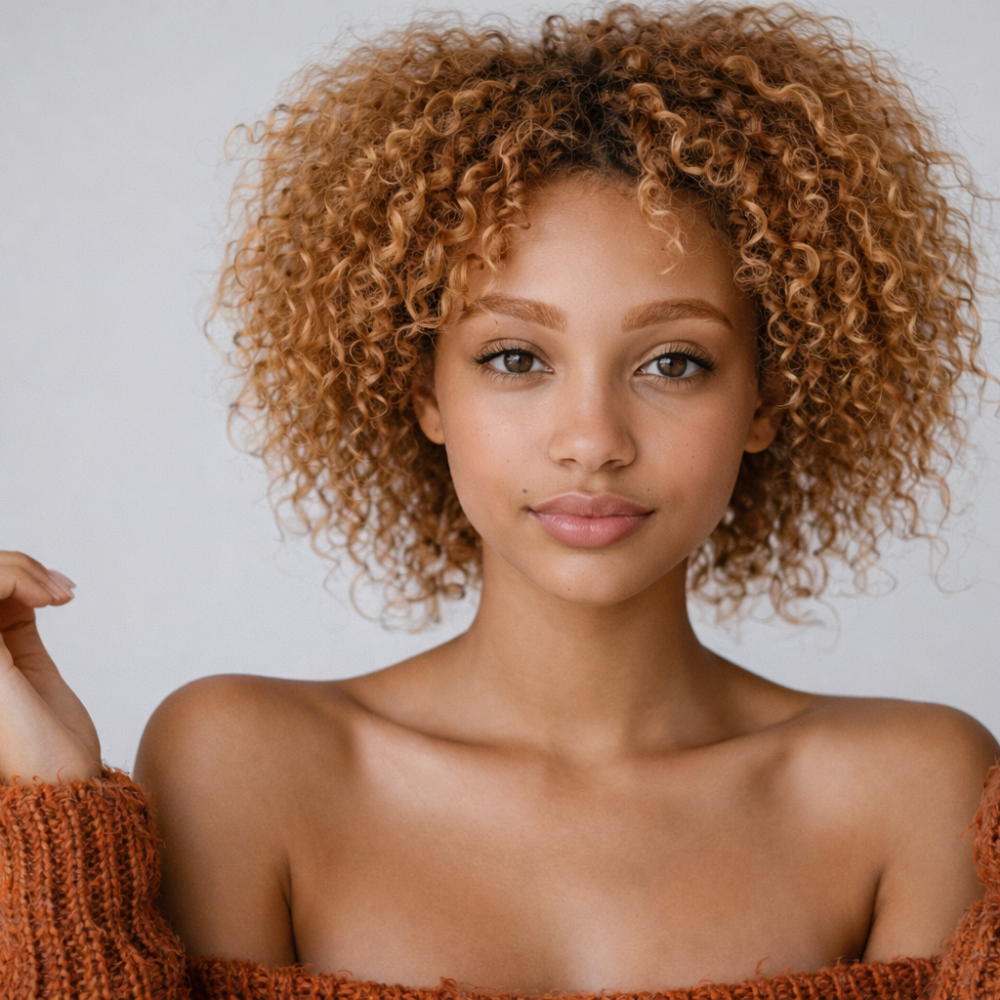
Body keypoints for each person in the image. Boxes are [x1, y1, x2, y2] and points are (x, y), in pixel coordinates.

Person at [1, 3, 998, 998]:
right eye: (515, 357)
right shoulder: (242, 765)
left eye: (673, 361)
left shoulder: (915, 792)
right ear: (425, 391)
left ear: (766, 398)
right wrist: (51, 823)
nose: (592, 439)